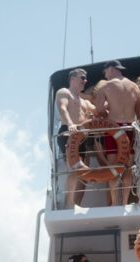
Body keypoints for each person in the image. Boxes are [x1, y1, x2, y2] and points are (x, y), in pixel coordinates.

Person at [93, 60, 140, 205]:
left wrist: (107, 114)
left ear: (111, 69)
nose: (105, 75)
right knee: (128, 165)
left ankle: (115, 202)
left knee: (113, 167)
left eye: (105, 72)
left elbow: (99, 109)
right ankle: (126, 201)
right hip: (130, 128)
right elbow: (138, 112)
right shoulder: (134, 87)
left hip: (114, 129)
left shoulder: (105, 86)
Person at [55, 68, 96, 207]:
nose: (85, 81)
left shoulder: (84, 102)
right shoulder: (64, 92)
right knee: (74, 170)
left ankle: (76, 203)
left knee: (80, 172)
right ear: (72, 78)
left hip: (82, 138)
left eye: (85, 78)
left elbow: (99, 110)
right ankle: (69, 203)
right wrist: (71, 124)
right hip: (68, 132)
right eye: (82, 78)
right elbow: (63, 108)